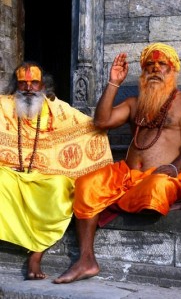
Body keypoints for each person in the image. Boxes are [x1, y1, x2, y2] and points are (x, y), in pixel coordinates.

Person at [54, 42, 181, 283]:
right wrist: (114, 82)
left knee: (157, 188)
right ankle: (86, 259)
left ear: (173, 70)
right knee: (85, 185)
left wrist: (176, 167)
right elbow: (102, 121)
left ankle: (125, 200)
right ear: (143, 73)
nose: (155, 69)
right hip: (126, 175)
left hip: (165, 175)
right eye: (149, 65)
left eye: (162, 65)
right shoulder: (135, 103)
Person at [0, 62, 112, 280]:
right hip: (12, 174)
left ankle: (36, 253)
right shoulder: (4, 106)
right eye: (23, 83)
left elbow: (92, 126)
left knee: (61, 186)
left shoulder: (58, 109)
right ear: (16, 86)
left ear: (44, 85)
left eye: (34, 83)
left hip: (47, 177)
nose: (29, 88)